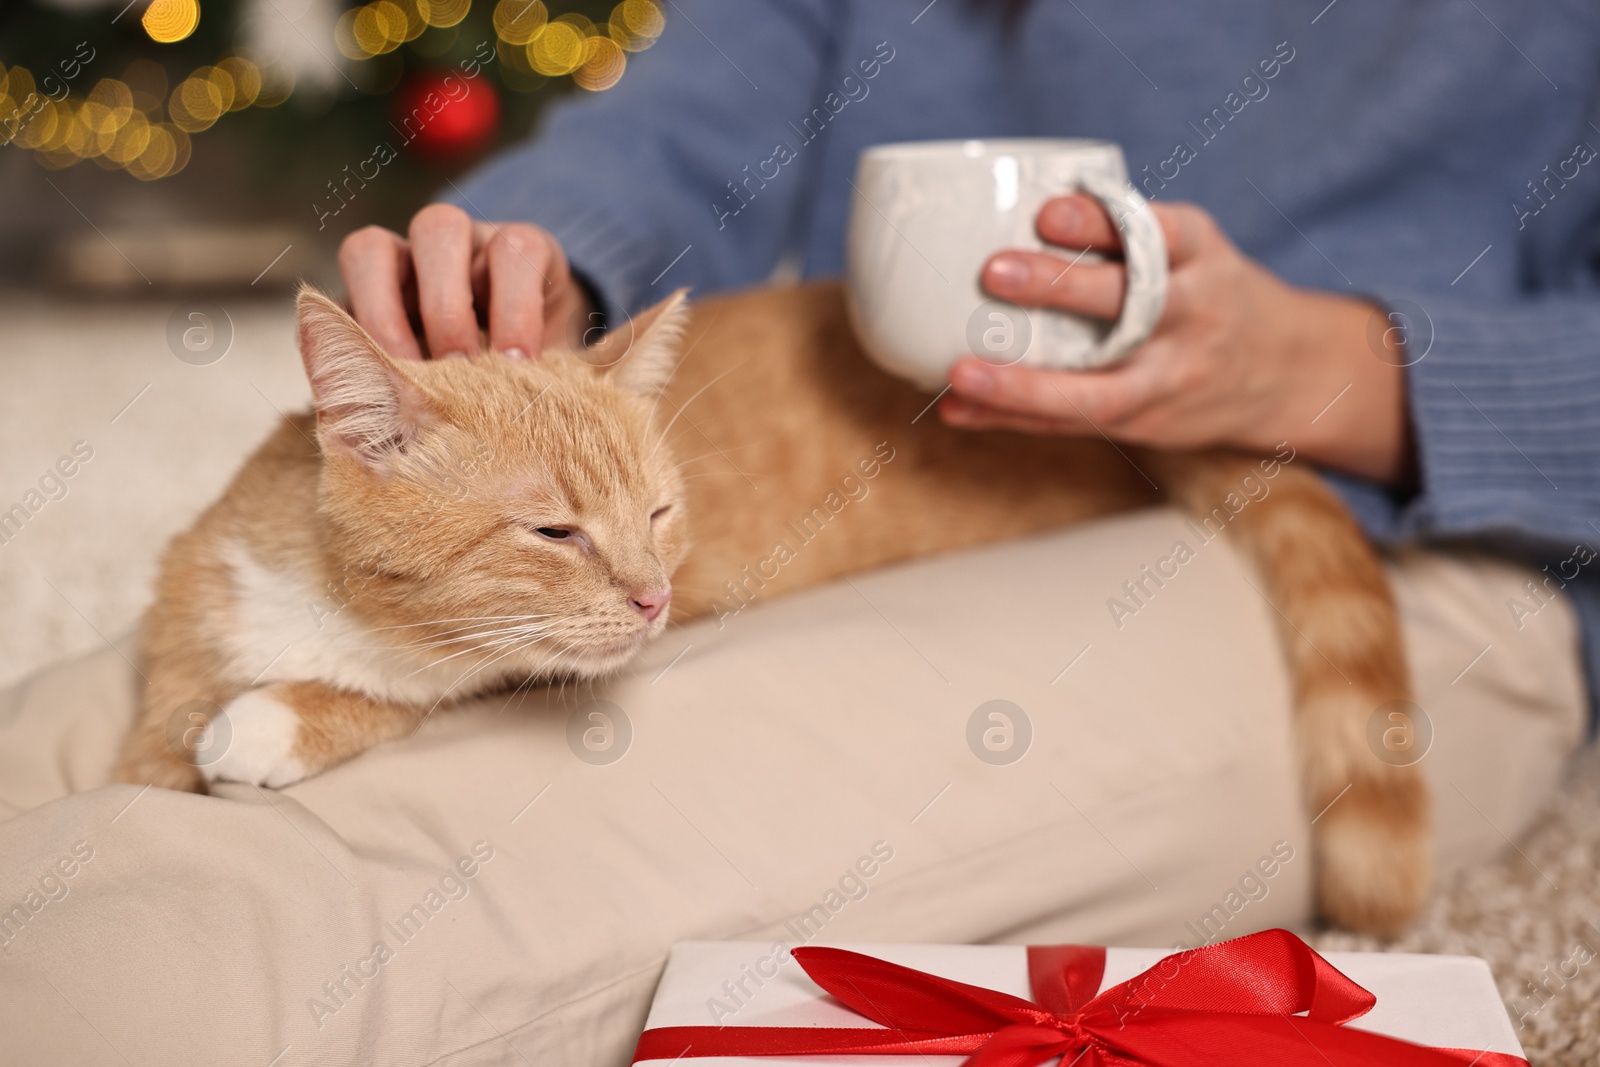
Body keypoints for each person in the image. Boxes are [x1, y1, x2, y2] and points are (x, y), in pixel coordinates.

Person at [10, 4, 1587, 1064]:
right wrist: (543, 276)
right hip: (902, 441)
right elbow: (691, 117)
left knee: (391, 875)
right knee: (111, 718)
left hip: (1398, 525)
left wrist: (1330, 366)